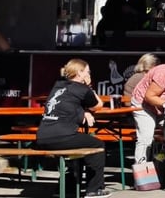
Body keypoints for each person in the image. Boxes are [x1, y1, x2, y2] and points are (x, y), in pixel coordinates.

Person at [36, 59, 112, 198]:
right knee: (97, 145)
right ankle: (94, 189)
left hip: (42, 136)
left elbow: (67, 104)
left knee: (80, 146)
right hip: (61, 136)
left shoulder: (58, 86)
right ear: (80, 73)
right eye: (87, 72)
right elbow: (98, 105)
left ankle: (68, 187)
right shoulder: (82, 89)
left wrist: (84, 112)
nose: (89, 74)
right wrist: (89, 86)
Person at [131, 62, 165, 164]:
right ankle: (142, 172)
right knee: (146, 137)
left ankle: (161, 164)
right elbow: (149, 96)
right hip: (143, 104)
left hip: (161, 107)